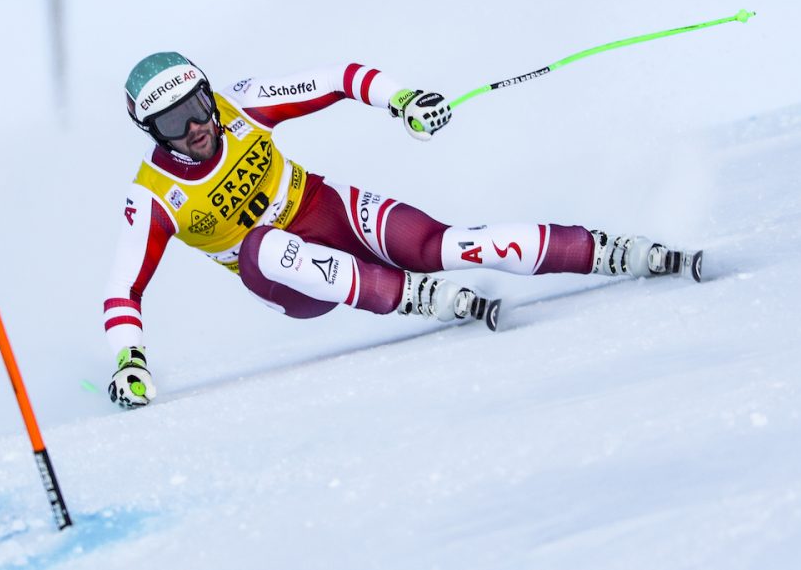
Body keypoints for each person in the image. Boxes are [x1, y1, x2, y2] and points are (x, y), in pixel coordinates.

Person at [104, 52, 701, 408]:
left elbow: (337, 77)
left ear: (209, 93)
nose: (195, 128)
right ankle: (407, 296)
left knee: (446, 245)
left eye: (196, 108)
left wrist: (405, 99)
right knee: (265, 242)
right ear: (152, 132)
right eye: (172, 124)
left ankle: (616, 252)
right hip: (287, 277)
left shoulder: (240, 105)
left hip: (327, 208)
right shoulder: (153, 195)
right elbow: (123, 289)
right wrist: (131, 360)